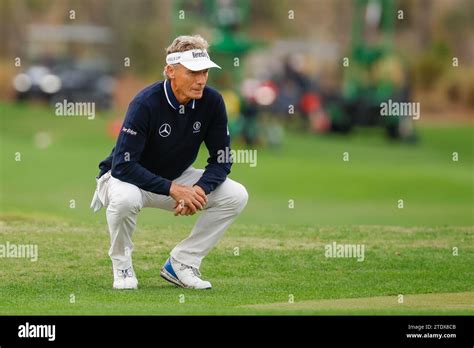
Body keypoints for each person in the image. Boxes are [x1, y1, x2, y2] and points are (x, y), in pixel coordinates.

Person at [90, 35, 248, 290]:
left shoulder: (212, 102)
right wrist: (176, 190)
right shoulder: (145, 103)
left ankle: (182, 263)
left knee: (236, 195)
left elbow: (222, 160)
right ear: (170, 71)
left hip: (174, 180)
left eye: (205, 71)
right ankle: (122, 265)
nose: (201, 80)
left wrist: (198, 191)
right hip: (125, 180)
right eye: (193, 72)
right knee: (126, 200)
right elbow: (123, 165)